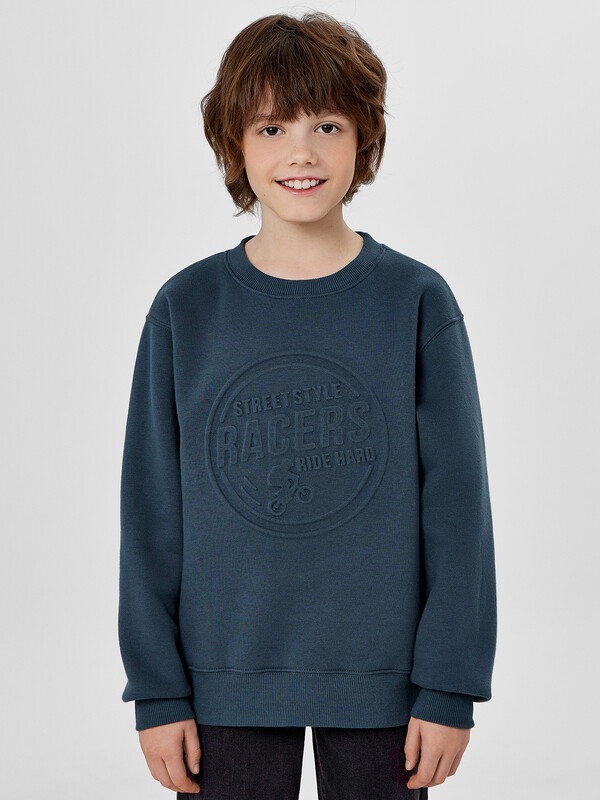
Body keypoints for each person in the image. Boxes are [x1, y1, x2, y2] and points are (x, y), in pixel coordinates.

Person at [118, 11, 497, 799]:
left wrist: (449, 685)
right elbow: (152, 513)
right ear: (234, 145)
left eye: (327, 125)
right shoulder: (186, 309)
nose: (301, 152)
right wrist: (157, 690)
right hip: (221, 684)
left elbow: (458, 511)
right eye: (271, 127)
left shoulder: (416, 302)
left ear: (364, 139)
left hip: (388, 688)